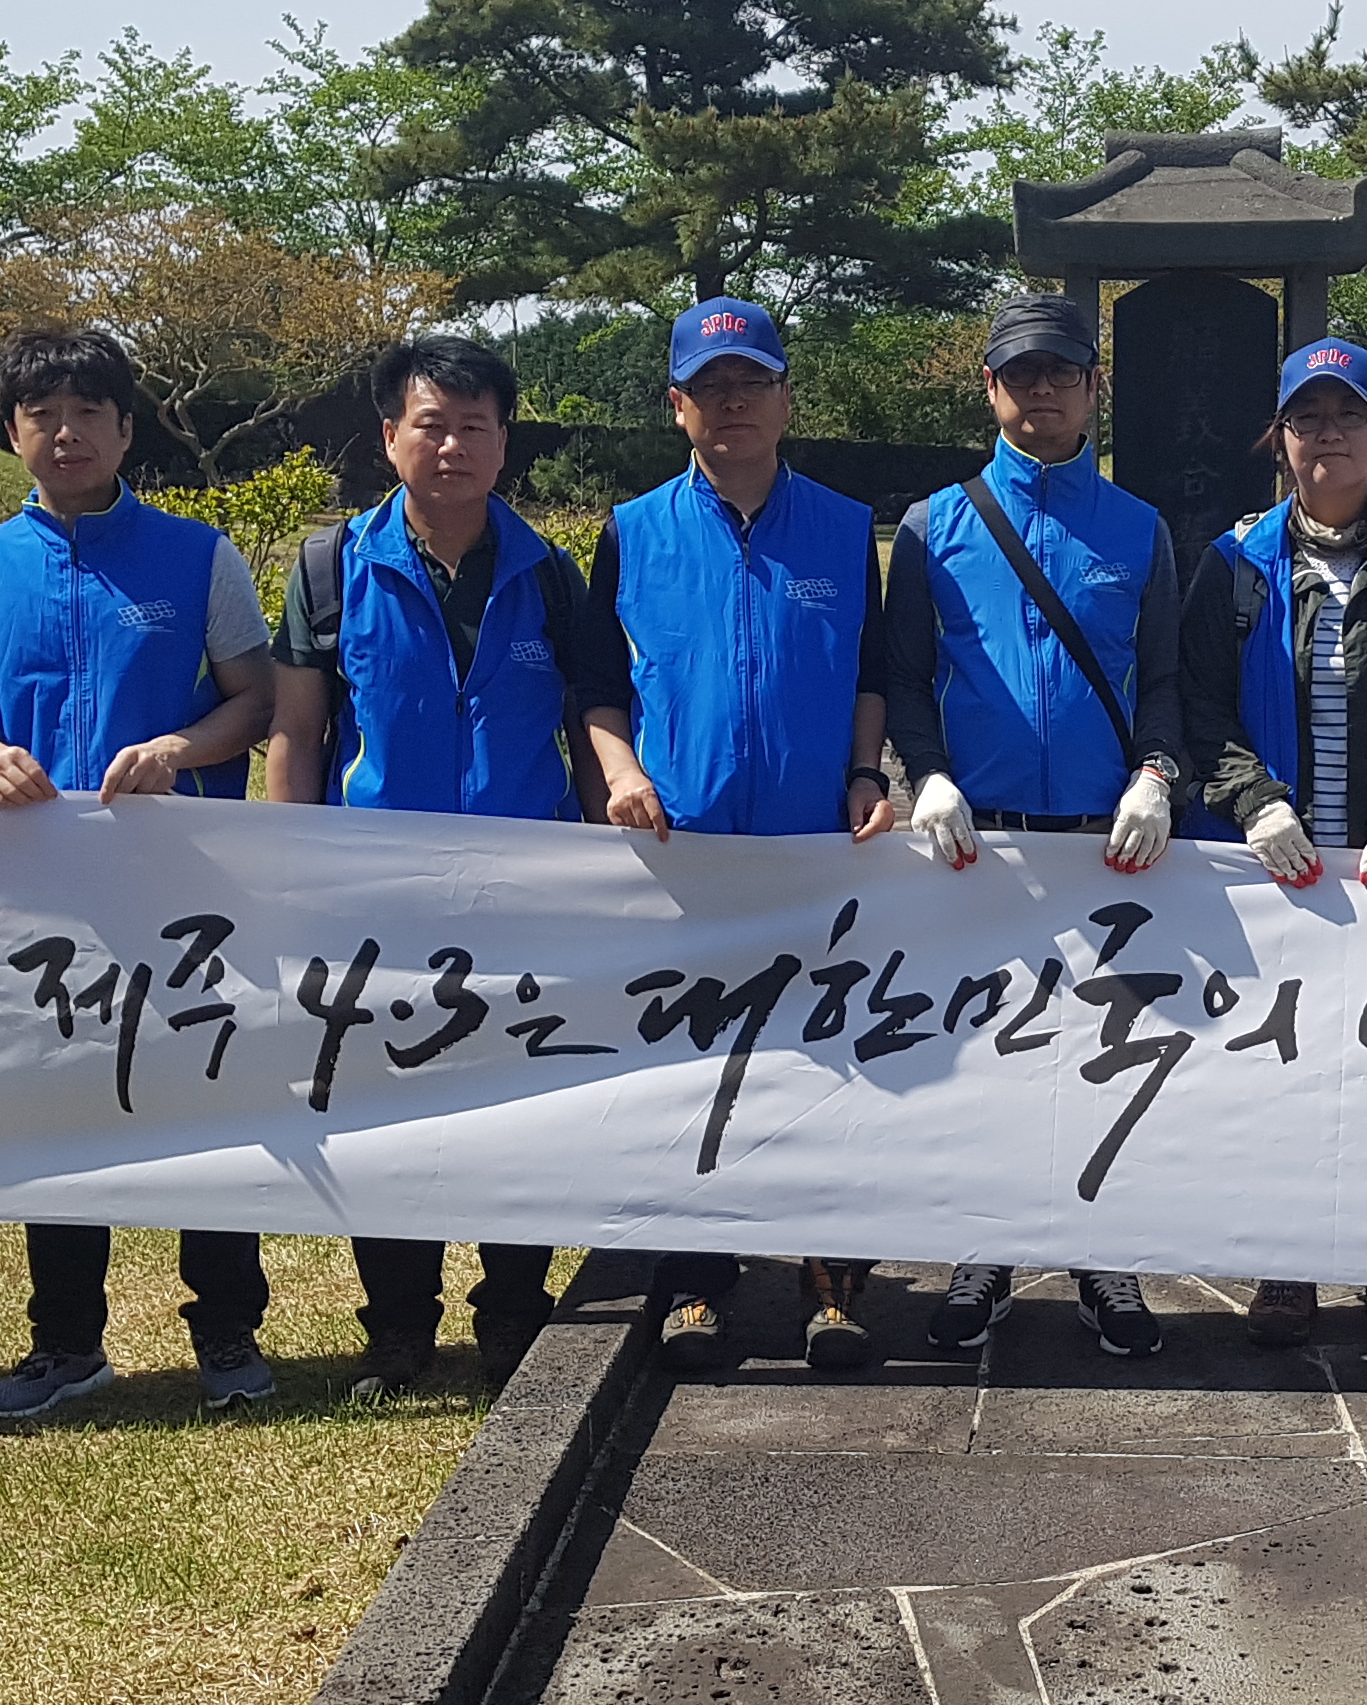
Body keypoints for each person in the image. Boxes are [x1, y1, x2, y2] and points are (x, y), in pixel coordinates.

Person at [0, 326, 279, 1422]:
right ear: (14, 433)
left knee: (204, 1098)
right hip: (37, 889)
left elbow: (254, 701)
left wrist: (182, 749)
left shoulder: (198, 554)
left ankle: (227, 1330)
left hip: (181, 884)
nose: (68, 431)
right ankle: (66, 1343)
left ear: (128, 428)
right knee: (61, 1105)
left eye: (90, 411)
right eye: (45, 414)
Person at [267, 332, 603, 1402]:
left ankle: (512, 1315)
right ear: (388, 437)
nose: (452, 446)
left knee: (523, 1109)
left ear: (506, 442)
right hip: (380, 893)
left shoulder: (554, 576)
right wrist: (294, 871)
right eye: (430, 424)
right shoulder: (328, 569)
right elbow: (297, 735)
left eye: (474, 426)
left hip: (526, 888)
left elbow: (583, 723)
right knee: (387, 1112)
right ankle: (399, 1330)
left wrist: (611, 877)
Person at [570, 296, 895, 1378]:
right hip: (685, 856)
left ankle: (834, 1287)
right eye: (711, 389)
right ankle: (698, 1286)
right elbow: (600, 687)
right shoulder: (631, 530)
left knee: (829, 1067)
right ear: (678, 407)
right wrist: (618, 772)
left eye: (753, 383)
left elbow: (871, 676)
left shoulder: (849, 528)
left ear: (787, 397)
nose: (734, 404)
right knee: (691, 1072)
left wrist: (861, 775)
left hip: (814, 852)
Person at [883, 288, 1186, 1358]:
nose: (1042, 390)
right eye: (1023, 373)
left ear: (1093, 388)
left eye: (1062, 371)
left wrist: (1157, 771)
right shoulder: (935, 525)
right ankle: (985, 1248)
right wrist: (923, 772)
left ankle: (1106, 1255)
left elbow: (1162, 680)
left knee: (1104, 1054)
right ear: (991, 388)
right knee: (988, 1055)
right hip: (980, 839)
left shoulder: (1139, 527)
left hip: (1107, 843)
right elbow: (908, 677)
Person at [1178, 332, 1367, 1348]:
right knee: (1282, 1069)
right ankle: (1286, 1263)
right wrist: (1254, 799)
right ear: (1280, 438)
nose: (1328, 436)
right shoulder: (1233, 564)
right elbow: (1200, 704)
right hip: (1279, 869)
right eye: (1307, 417)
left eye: (1348, 415)